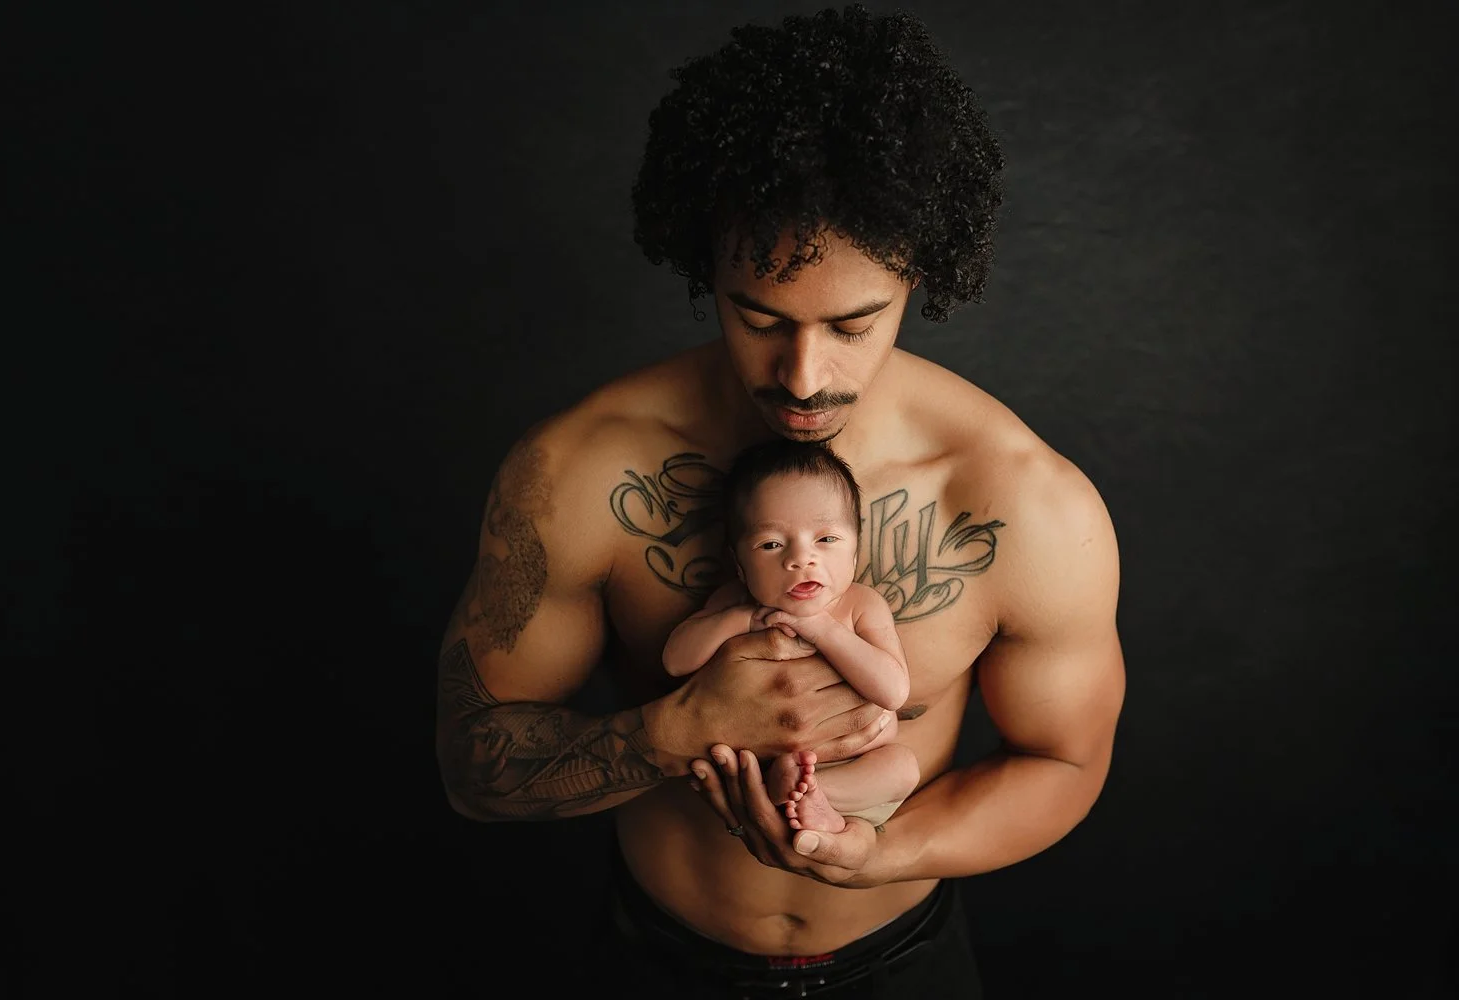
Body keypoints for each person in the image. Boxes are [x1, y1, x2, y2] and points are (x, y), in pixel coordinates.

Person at [436, 5, 1126, 996]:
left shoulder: (1022, 500)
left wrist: (879, 852)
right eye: (758, 316)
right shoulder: (579, 468)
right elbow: (471, 766)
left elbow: (1065, 765)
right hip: (654, 961)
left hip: (905, 964)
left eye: (854, 323)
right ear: (702, 266)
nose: (803, 374)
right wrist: (669, 730)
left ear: (917, 276)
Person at [662, 438, 921, 836]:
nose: (801, 558)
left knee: (903, 767)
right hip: (761, 763)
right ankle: (786, 789)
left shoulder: (860, 606)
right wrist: (738, 620)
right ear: (739, 564)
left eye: (826, 539)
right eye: (771, 544)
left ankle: (816, 794)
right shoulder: (734, 601)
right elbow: (675, 660)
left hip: (855, 766)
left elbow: (892, 691)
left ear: (855, 551)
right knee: (766, 768)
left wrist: (825, 630)